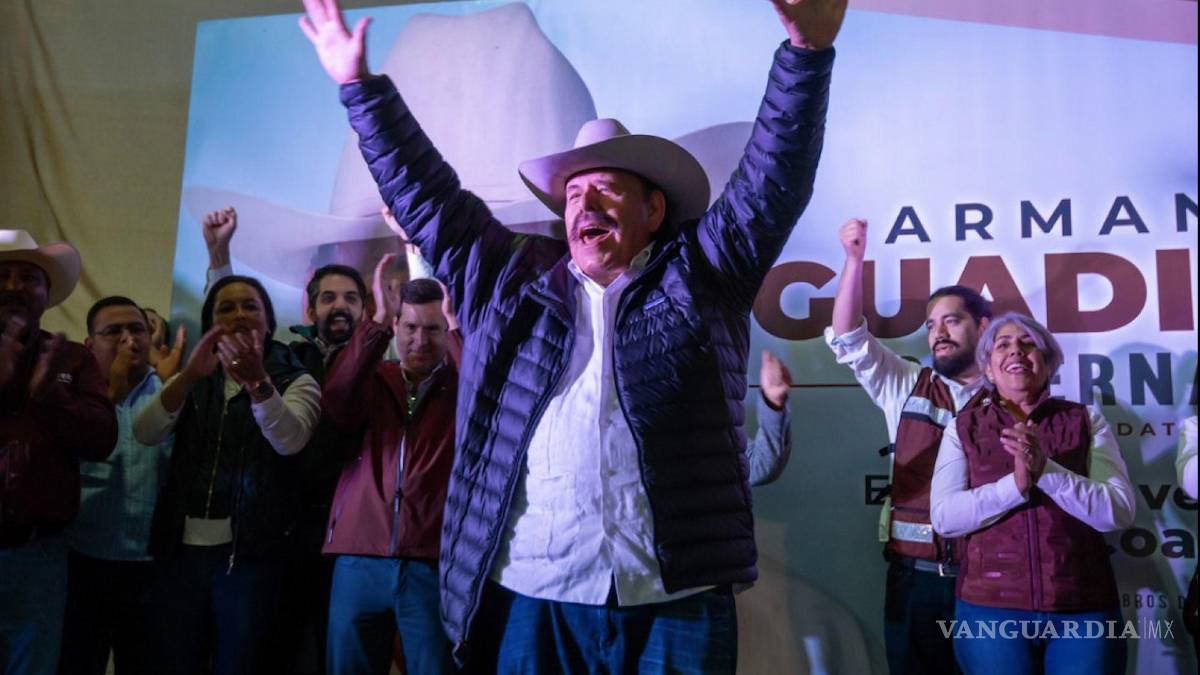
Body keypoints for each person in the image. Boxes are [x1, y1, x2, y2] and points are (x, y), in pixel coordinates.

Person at [299, 0, 845, 670]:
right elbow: (429, 196)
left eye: (606, 187)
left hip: (675, 597)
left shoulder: (704, 274)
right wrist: (359, 87)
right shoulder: (506, 283)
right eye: (573, 194)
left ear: (653, 209)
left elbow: (771, 184)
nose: (584, 203)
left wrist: (806, 58)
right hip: (534, 594)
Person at [824, 218, 990, 675]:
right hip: (915, 583)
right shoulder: (904, 383)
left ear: (983, 327)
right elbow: (848, 337)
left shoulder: (1012, 396)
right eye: (932, 324)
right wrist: (854, 260)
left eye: (952, 321)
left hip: (992, 581)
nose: (939, 332)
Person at [132, 275, 320, 675]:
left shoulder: (295, 377)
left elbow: (290, 441)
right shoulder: (195, 375)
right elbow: (145, 432)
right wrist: (187, 376)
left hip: (251, 554)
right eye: (226, 308)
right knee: (177, 662)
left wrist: (258, 383)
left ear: (268, 322)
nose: (239, 315)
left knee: (240, 663)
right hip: (181, 552)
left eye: (250, 306)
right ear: (211, 323)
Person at [930, 312, 1136, 675]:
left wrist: (1047, 471)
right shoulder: (964, 427)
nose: (1016, 351)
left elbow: (1118, 510)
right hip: (989, 609)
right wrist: (1015, 486)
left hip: (1083, 606)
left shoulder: (1086, 420)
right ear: (988, 368)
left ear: (1049, 363)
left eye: (1028, 344)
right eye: (1003, 345)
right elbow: (945, 518)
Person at [321, 258, 461, 675]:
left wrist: (458, 327)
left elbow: (486, 399)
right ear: (396, 328)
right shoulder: (372, 378)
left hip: (431, 561)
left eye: (433, 328)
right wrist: (376, 320)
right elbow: (336, 402)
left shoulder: (461, 386)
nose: (420, 339)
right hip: (358, 555)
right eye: (410, 327)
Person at [0, 230, 118, 675]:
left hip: (38, 556)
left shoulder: (71, 358)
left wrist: (51, 396)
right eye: (3, 275)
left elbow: (102, 439)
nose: (14, 286)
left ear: (46, 293)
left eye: (28, 277)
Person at [59, 297, 175, 675]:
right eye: (114, 332)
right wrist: (111, 395)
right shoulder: (73, 396)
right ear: (89, 344)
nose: (129, 339)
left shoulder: (171, 393)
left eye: (137, 329)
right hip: (80, 560)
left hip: (151, 568)